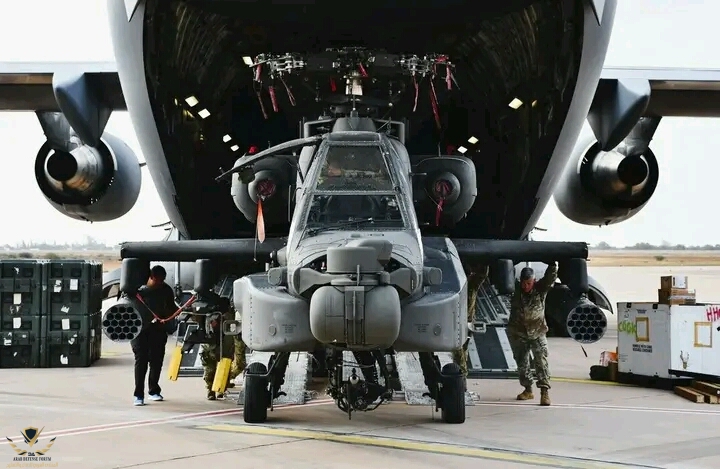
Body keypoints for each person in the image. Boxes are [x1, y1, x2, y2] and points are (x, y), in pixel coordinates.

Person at [507, 262, 558, 406]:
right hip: (518, 333)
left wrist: (552, 265)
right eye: (523, 283)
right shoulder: (516, 289)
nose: (526, 286)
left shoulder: (540, 289)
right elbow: (507, 274)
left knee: (541, 362)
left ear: (534, 281)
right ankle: (528, 390)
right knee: (522, 363)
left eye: (528, 283)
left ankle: (544, 392)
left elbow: (550, 277)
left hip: (537, 332)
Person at [131, 265, 178, 406]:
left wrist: (178, 312)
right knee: (141, 361)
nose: (160, 283)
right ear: (151, 277)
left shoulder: (166, 290)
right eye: (158, 281)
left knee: (156, 361)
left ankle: (154, 391)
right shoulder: (136, 289)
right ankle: (138, 395)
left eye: (162, 280)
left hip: (158, 330)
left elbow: (171, 307)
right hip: (140, 330)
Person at [196, 296, 248, 400]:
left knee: (224, 366)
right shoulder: (210, 316)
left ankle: (221, 387)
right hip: (212, 344)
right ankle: (211, 390)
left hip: (224, 344)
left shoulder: (228, 316)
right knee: (210, 369)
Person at [453, 264, 489, 378]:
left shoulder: (471, 285)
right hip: (455, 322)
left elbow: (482, 275)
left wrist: (485, 261)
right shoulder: (455, 284)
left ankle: (461, 376)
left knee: (462, 350)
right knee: (459, 351)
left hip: (466, 323)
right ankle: (461, 375)